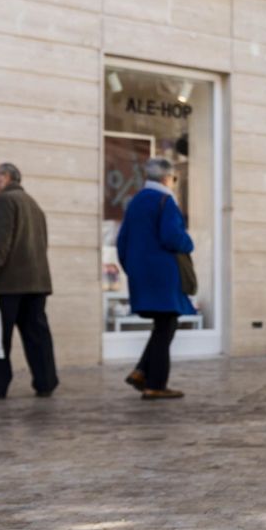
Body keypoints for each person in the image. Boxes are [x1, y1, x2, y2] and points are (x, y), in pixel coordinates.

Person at [115, 158, 196, 400]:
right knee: (167, 326)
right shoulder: (165, 200)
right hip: (165, 273)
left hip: (142, 273)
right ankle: (156, 385)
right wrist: (188, 243)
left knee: (162, 325)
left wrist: (133, 268)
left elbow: (122, 242)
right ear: (167, 178)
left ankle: (142, 372)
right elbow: (172, 237)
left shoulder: (136, 201)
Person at [0, 162, 58, 399]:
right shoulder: (33, 204)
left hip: (8, 283)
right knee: (37, 336)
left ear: (6, 177)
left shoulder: (4, 201)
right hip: (36, 283)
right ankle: (46, 382)